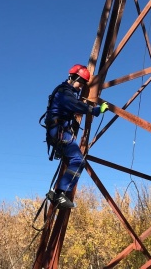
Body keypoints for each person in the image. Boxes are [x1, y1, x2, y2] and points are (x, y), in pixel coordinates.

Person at [44, 64, 108, 209]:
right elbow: (76, 106)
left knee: (75, 160)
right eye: (81, 83)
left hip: (58, 131)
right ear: (74, 78)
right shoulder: (64, 93)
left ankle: (58, 192)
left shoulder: (64, 91)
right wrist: (96, 110)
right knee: (78, 161)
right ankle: (60, 193)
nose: (81, 88)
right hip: (59, 131)